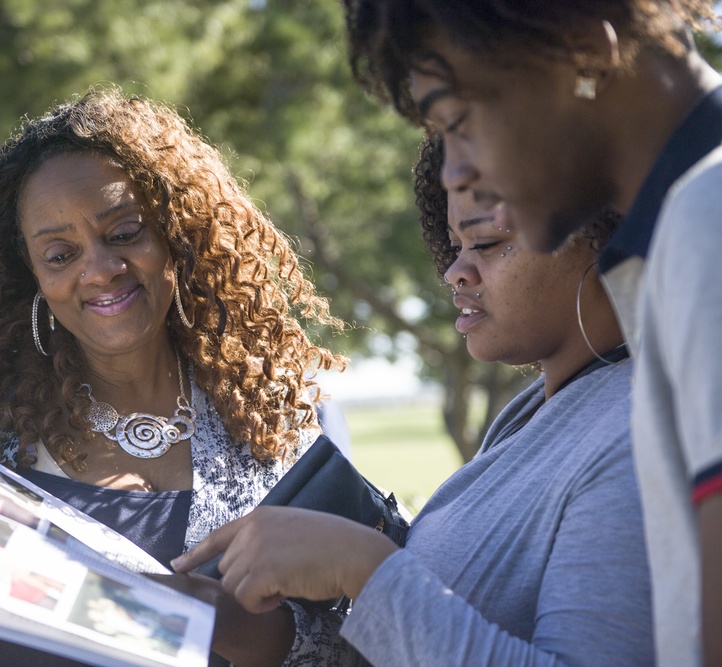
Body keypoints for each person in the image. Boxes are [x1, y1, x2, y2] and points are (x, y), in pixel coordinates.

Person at [0, 89, 349, 666]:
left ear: (176, 235)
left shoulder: (275, 426)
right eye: (60, 254)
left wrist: (233, 626)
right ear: (30, 274)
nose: (100, 270)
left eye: (124, 232)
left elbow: (372, 639)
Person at [338, 1, 722, 665]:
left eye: (459, 123)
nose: (454, 173)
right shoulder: (707, 214)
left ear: (583, 52)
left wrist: (367, 574)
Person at [174, 135, 654, 666]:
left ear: (601, 233)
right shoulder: (534, 410)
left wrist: (361, 566)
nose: (456, 271)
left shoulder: (634, 430)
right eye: (455, 247)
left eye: (488, 243)